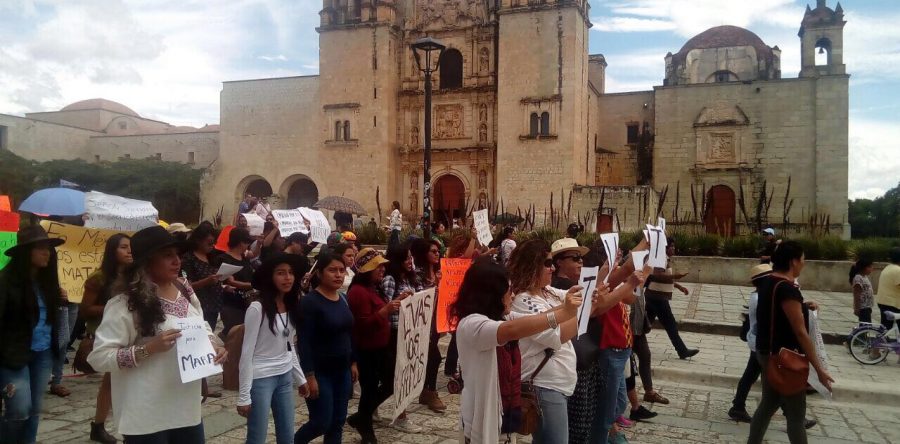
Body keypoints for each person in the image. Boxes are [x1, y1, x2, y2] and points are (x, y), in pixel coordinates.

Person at [88, 226, 227, 443]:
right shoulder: (125, 303)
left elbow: (202, 327)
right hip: (146, 414)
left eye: (177, 255)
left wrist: (214, 346)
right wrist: (148, 348)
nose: (176, 261)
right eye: (167, 256)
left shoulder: (185, 290)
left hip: (186, 409)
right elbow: (99, 358)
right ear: (147, 262)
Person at [451, 257, 583, 443]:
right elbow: (513, 330)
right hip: (482, 417)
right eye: (508, 291)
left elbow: (535, 319)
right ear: (492, 294)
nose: (512, 296)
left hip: (505, 413)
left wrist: (574, 304)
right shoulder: (472, 324)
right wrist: (565, 313)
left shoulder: (501, 317)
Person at [748, 241, 834, 444]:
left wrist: (803, 307)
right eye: (803, 260)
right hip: (784, 359)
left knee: (768, 405)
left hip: (766, 353)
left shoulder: (769, 282)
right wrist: (819, 369)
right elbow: (801, 332)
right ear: (794, 262)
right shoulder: (787, 289)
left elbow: (778, 313)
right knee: (796, 416)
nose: (804, 264)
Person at [507, 239, 583, 444]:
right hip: (544, 386)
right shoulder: (523, 300)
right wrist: (582, 312)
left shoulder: (548, 292)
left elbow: (578, 297)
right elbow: (557, 336)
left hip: (557, 385)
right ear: (532, 266)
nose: (552, 268)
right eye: (547, 263)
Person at [728, 264, 818, 430]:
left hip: (758, 343)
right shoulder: (761, 298)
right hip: (762, 345)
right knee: (776, 381)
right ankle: (793, 416)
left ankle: (737, 407)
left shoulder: (759, 295)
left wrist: (803, 305)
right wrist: (804, 307)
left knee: (751, 376)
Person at [0, 225, 65, 443]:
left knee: (34, 409)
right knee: (19, 409)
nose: (47, 252)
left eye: (48, 248)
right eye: (40, 248)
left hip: (43, 353)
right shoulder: (5, 281)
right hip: (12, 355)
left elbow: (53, 320)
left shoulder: (48, 283)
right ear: (25, 253)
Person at [237, 255, 309, 444]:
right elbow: (246, 353)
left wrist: (300, 378)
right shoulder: (257, 308)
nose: (288, 278)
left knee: (287, 435)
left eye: (291, 273)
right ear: (271, 277)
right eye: (281, 273)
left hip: (284, 376)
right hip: (261, 377)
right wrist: (244, 395)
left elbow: (288, 345)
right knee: (257, 436)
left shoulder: (292, 305)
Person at [294, 252, 359, 444]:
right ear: (320, 274)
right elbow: (303, 341)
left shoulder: (343, 299)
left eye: (341, 270)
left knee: (338, 422)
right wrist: (309, 375)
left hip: (343, 371)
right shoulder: (309, 302)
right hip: (321, 373)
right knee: (321, 421)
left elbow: (349, 333)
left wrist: (353, 362)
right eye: (332, 270)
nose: (338, 274)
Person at [80, 233, 132, 444]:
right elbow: (85, 309)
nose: (129, 251)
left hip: (131, 334)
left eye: (130, 247)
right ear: (112, 251)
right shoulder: (99, 278)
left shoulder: (135, 275)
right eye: (123, 247)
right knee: (110, 382)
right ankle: (99, 425)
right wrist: (115, 307)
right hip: (109, 335)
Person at [346, 249, 396, 443]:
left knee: (390, 384)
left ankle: (361, 417)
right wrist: (385, 311)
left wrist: (397, 303)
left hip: (381, 347)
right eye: (378, 266)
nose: (382, 269)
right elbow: (362, 324)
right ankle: (364, 424)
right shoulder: (358, 292)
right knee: (370, 388)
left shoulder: (374, 288)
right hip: (367, 349)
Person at [644, 238, 699, 359]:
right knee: (670, 325)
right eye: (672, 246)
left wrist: (678, 286)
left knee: (646, 325)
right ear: (665, 247)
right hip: (657, 297)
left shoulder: (663, 258)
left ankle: (631, 345)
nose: (674, 248)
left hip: (653, 295)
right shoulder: (661, 258)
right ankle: (682, 351)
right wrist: (676, 276)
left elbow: (662, 277)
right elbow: (656, 276)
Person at [411, 237, 447, 413]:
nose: (437, 254)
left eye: (438, 251)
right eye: (433, 251)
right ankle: (430, 391)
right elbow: (419, 299)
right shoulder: (417, 274)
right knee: (435, 356)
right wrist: (435, 288)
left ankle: (426, 390)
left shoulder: (440, 271)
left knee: (431, 355)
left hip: (437, 320)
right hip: (422, 321)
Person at [628, 273, 669, 417]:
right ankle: (630, 406)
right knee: (627, 370)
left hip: (638, 329)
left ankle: (649, 392)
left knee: (645, 356)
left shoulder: (639, 285)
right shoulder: (626, 280)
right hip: (627, 330)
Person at [181, 224, 223, 330]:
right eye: (209, 243)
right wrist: (206, 281)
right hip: (199, 306)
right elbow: (186, 286)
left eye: (214, 243)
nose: (212, 246)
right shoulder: (188, 259)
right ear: (198, 240)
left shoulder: (211, 257)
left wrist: (224, 286)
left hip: (214, 305)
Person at [218, 227, 255, 339]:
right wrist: (254, 285)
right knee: (234, 331)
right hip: (231, 302)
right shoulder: (224, 259)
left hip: (247, 301)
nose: (247, 245)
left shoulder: (244, 258)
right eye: (246, 242)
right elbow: (231, 281)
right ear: (239, 242)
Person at [876, 248, 900, 331]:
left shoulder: (888, 267)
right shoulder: (898, 270)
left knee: (885, 327)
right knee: (886, 327)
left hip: (883, 301)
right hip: (891, 303)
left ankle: (880, 341)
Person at [850, 258, 876, 324]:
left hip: (867, 307)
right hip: (863, 307)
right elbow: (857, 294)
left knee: (867, 326)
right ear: (863, 268)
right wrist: (856, 308)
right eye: (869, 267)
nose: (871, 269)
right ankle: (860, 334)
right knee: (865, 327)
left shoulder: (864, 277)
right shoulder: (858, 278)